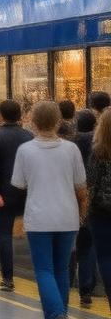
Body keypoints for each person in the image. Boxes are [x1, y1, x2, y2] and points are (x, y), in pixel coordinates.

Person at [10, 101, 86, 319]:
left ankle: (56, 317)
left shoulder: (25, 150)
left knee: (44, 270)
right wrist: (83, 213)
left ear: (33, 121)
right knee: (61, 269)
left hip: (39, 217)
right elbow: (81, 185)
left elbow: (19, 184)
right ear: (58, 121)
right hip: (67, 216)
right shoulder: (71, 150)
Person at [0, 99, 33, 292]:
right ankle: (41, 272)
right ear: (20, 115)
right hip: (27, 193)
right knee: (34, 234)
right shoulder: (29, 136)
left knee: (4, 235)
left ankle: (8, 278)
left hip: (3, 194)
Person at [84, 108, 111, 316]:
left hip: (101, 211)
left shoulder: (98, 152)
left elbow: (90, 183)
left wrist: (85, 210)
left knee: (105, 257)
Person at [72, 109, 98, 306]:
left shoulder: (70, 144)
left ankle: (67, 280)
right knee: (88, 247)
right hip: (91, 199)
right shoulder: (99, 144)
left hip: (72, 197)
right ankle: (87, 289)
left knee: (70, 244)